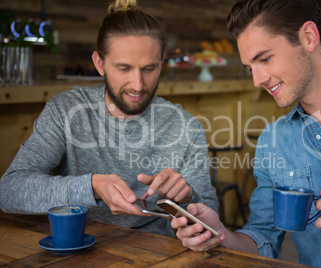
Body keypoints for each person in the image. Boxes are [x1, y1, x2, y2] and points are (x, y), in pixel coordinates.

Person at [171, 0, 321, 267]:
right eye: (250, 68)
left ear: (308, 37)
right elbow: (262, 239)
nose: (257, 80)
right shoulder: (273, 140)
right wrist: (219, 234)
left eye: (265, 59)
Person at [0, 0, 218, 238]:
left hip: (162, 253)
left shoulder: (186, 127)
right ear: (99, 64)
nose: (138, 85)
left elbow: (210, 216)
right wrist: (92, 186)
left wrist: (187, 198)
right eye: (124, 68)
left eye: (149, 69)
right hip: (80, 249)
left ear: (162, 61)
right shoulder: (66, 111)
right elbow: (9, 190)